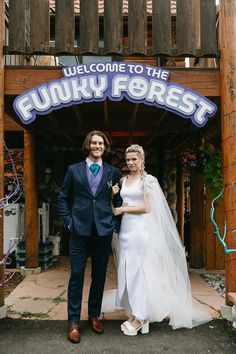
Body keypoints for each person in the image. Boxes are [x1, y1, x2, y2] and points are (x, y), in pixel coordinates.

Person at [112, 144, 212, 336]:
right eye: (128, 159)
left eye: (134, 159)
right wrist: (113, 194)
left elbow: (147, 207)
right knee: (129, 271)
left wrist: (124, 209)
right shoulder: (124, 180)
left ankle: (142, 316)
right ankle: (135, 312)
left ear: (142, 160)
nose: (131, 163)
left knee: (141, 272)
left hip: (141, 230)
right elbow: (121, 200)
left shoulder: (148, 181)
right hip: (125, 230)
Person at [58, 130, 121, 343]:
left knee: (99, 276)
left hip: (103, 231)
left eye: (101, 143)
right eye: (94, 143)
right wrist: (69, 222)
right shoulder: (73, 170)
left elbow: (118, 200)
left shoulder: (112, 171)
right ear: (88, 145)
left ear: (105, 147)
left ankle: (94, 315)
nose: (97, 146)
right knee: (76, 276)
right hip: (79, 231)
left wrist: (115, 224)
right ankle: (73, 322)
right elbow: (62, 198)